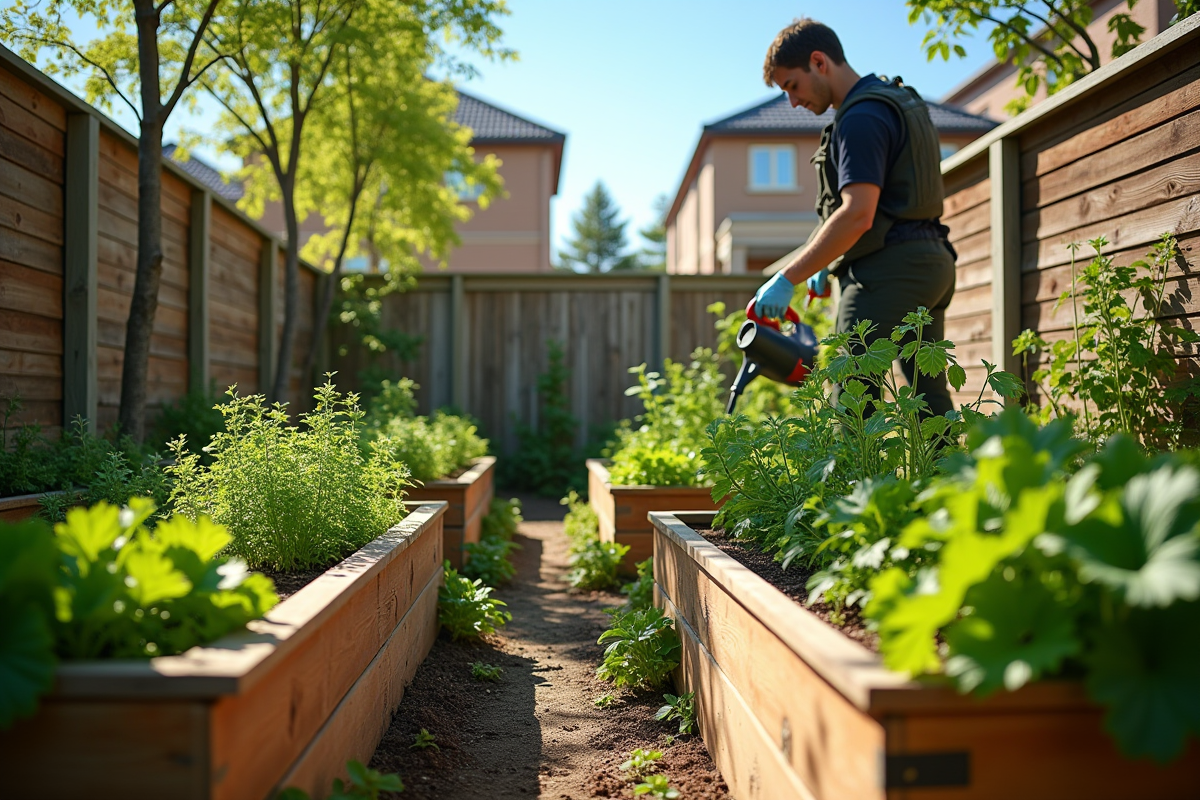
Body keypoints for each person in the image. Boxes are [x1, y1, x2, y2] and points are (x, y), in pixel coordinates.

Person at [752, 18, 956, 417]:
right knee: (927, 398)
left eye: (792, 85)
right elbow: (885, 200)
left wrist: (787, 277)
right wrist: (825, 258)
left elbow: (858, 213)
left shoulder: (861, 117)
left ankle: (853, 482)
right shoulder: (895, 99)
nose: (792, 102)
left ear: (818, 61)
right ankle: (946, 480)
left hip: (888, 270)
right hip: (932, 263)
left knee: (852, 395)